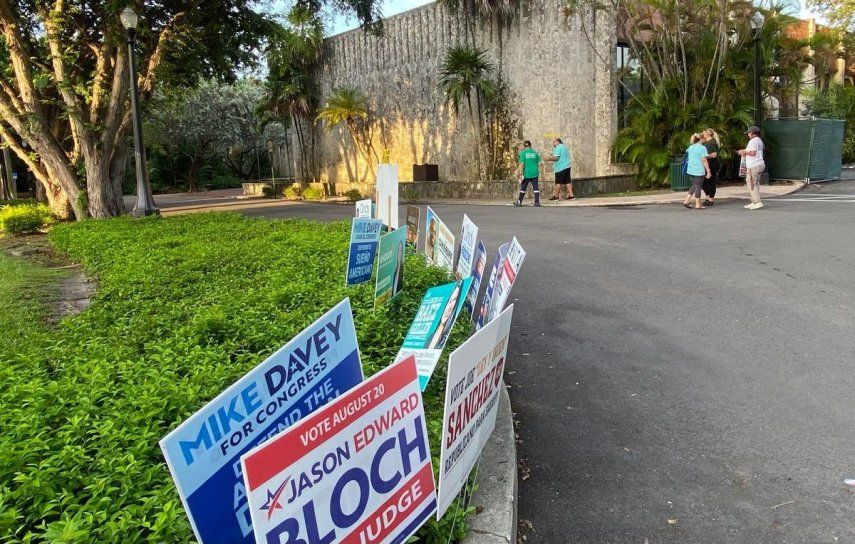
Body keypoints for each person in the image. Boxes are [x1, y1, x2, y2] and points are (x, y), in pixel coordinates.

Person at [737, 126, 765, 210]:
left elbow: (752, 153)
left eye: (749, 133)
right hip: (760, 163)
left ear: (752, 133)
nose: (748, 134)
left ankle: (757, 202)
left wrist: (743, 152)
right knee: (755, 183)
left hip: (753, 164)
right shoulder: (759, 140)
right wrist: (745, 151)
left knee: (751, 184)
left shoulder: (752, 141)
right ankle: (754, 202)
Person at [682, 133, 711, 210]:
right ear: (700, 139)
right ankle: (698, 204)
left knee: (694, 185)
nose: (704, 139)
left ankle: (686, 200)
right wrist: (708, 171)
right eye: (704, 138)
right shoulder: (702, 148)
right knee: (698, 186)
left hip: (691, 169)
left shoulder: (690, 147)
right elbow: (704, 160)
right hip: (699, 169)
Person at [514, 140, 541, 207]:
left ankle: (519, 202)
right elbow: (540, 164)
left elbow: (522, 164)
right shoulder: (535, 153)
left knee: (523, 187)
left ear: (524, 146)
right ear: (530, 145)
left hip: (526, 173)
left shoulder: (523, 153)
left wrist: (520, 173)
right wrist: (542, 174)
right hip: (535, 172)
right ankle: (537, 202)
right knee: (536, 187)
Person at [701, 128, 721, 206]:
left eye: (704, 133)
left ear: (708, 134)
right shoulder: (706, 142)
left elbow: (714, 154)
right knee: (704, 181)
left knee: (711, 181)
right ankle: (708, 196)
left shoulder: (711, 143)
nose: (702, 134)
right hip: (707, 164)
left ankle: (711, 199)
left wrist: (703, 156)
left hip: (712, 163)